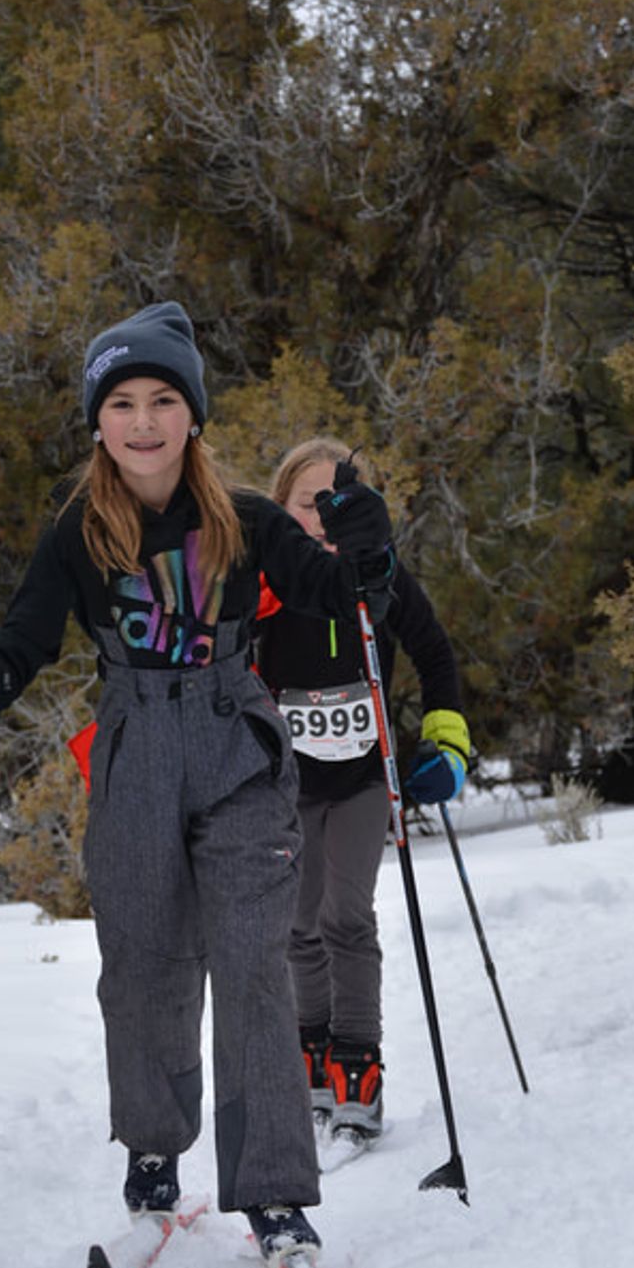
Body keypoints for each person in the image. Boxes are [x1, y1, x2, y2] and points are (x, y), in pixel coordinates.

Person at [0, 304, 396, 1265]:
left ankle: (272, 1196)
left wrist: (366, 544)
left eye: (163, 399)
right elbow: (26, 637)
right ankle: (152, 1152)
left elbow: (343, 597)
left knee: (253, 961)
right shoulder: (78, 531)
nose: (143, 421)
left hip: (235, 744)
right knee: (141, 964)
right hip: (135, 747)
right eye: (123, 402)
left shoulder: (250, 520)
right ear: (98, 421)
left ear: (193, 414)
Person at [254, 436, 469, 1152]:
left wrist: (447, 746)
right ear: (278, 509)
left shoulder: (381, 576)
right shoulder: (263, 581)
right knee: (297, 924)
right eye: (303, 504)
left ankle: (358, 1065)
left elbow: (435, 652)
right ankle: (309, 1056)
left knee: (346, 914)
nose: (317, 519)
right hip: (288, 782)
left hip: (362, 778)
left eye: (332, 504)